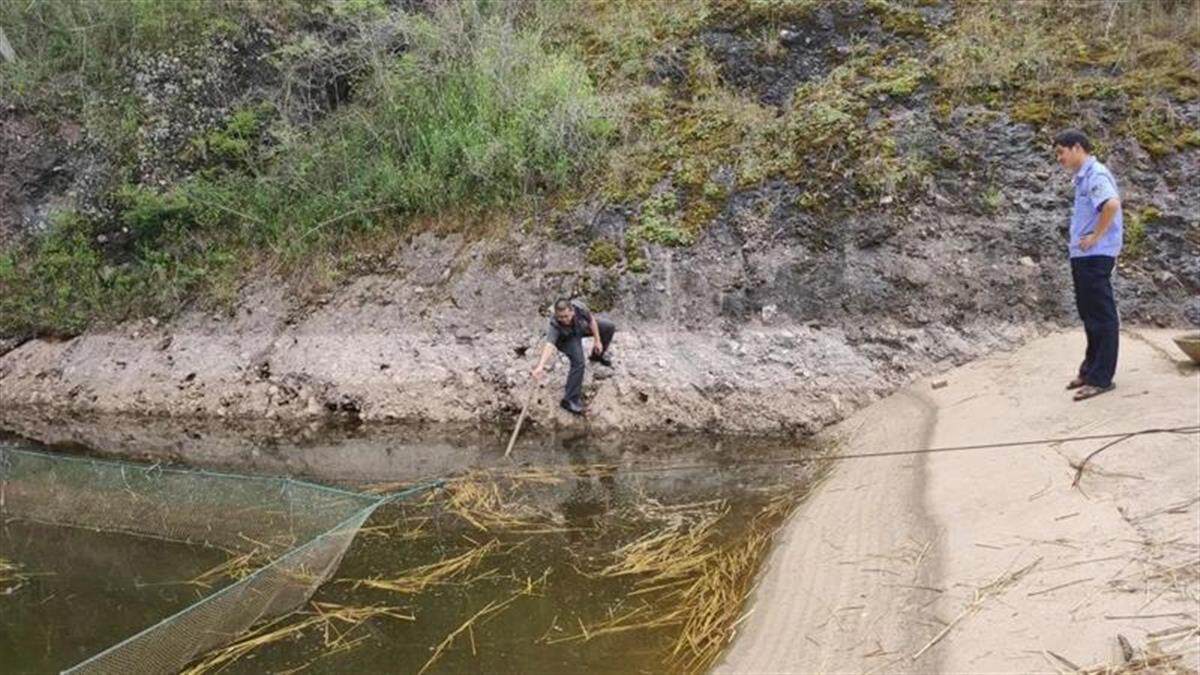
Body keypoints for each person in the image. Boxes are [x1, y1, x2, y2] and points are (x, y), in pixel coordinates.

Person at [1054, 128, 1123, 401]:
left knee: (1102, 317)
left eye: (1061, 152)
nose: (1059, 158)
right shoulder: (1082, 179)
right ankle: (1090, 369)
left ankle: (1101, 378)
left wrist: (1096, 237)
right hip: (1084, 257)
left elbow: (1112, 204)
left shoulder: (1096, 174)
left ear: (1077, 148)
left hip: (1096, 256)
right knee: (1089, 314)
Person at [531, 298, 615, 415]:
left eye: (566, 316)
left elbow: (591, 321)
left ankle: (597, 356)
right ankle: (569, 400)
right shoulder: (555, 323)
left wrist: (597, 340)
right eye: (561, 317)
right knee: (579, 362)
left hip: (579, 328)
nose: (564, 320)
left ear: (572, 311)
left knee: (608, 326)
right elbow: (549, 344)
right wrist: (540, 366)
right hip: (566, 338)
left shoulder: (580, 308)